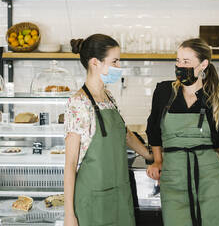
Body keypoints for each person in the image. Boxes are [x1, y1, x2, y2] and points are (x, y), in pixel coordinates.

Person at [146, 38, 219, 226]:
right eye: (178, 61)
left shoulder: (215, 97)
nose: (180, 66)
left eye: (186, 62)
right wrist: (157, 160)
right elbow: (153, 129)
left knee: (216, 220)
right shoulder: (164, 91)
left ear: (203, 64)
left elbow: (217, 135)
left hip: (209, 172)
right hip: (173, 171)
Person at [64, 34, 153, 226]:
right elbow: (70, 164)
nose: (119, 67)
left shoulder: (108, 96)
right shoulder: (79, 103)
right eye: (115, 61)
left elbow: (125, 134)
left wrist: (150, 156)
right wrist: (69, 215)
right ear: (95, 63)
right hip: (93, 200)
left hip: (119, 195)